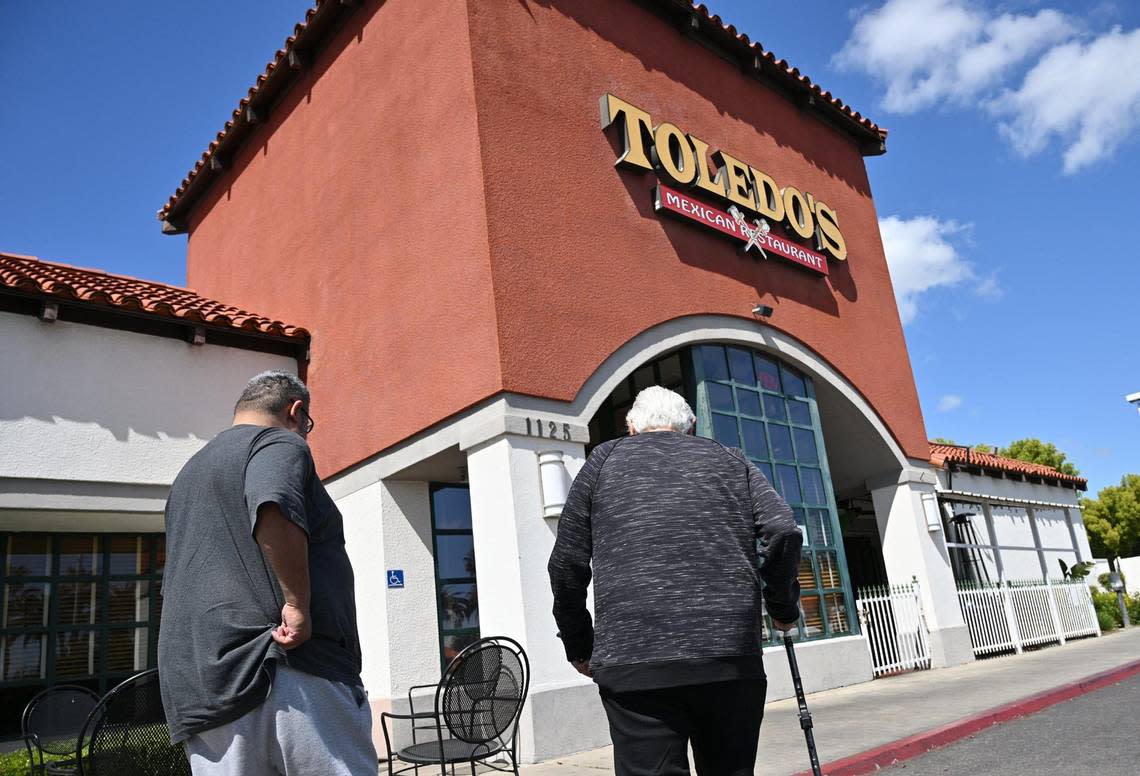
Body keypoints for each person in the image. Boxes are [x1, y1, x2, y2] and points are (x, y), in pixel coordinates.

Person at [548, 385, 803, 776]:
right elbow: (783, 528)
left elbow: (567, 562)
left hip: (636, 661)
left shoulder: (602, 460)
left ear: (631, 426)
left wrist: (579, 644)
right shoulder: (730, 459)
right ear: (691, 426)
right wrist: (782, 608)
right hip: (729, 656)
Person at [158, 371, 376, 775]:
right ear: (296, 412)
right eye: (306, 425)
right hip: (289, 673)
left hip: (206, 691)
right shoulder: (277, 441)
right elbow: (273, 504)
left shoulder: (188, 475)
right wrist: (297, 605)